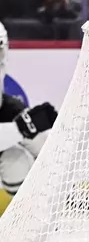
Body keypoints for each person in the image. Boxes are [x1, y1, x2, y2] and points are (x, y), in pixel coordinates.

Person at [0, 22, 58, 196]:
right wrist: (21, 129)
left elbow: (44, 148)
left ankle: (23, 216)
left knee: (17, 160)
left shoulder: (8, 107)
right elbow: (20, 129)